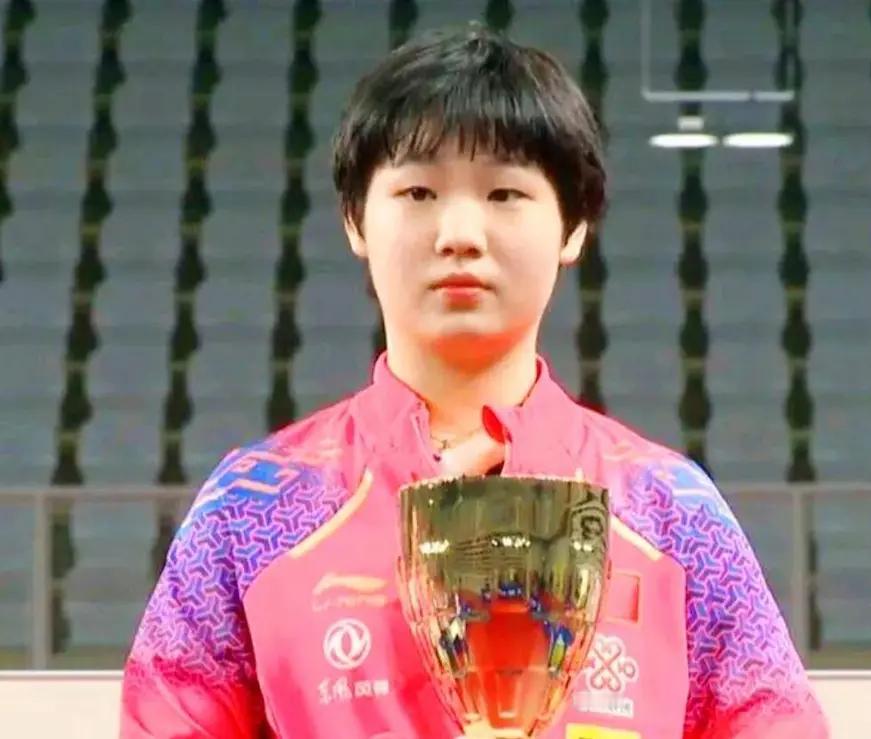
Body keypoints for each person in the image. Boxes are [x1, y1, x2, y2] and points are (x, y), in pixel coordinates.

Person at [120, 25, 829, 739]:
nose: (460, 233)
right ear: (355, 219)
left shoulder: (671, 511)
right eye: (418, 190)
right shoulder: (254, 505)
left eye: (505, 192)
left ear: (574, 227)